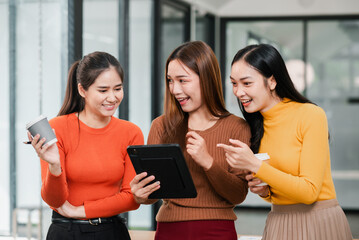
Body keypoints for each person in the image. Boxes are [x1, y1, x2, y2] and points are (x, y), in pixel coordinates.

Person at [217, 44, 353, 240]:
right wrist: (264, 191)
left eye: (246, 83)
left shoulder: (310, 115)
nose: (238, 92)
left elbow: (309, 192)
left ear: (272, 81)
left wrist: (255, 164)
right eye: (234, 83)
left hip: (318, 222)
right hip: (278, 221)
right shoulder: (256, 125)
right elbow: (278, 188)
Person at [130, 41, 251, 240]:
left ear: (206, 79)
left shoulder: (237, 127)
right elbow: (152, 195)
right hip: (170, 230)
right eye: (170, 80)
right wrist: (140, 195)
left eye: (182, 80)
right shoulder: (161, 126)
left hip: (218, 232)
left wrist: (208, 162)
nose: (175, 90)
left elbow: (238, 194)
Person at [27, 51, 143, 240]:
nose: (112, 97)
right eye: (103, 90)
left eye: (118, 88)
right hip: (65, 233)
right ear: (82, 90)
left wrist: (78, 211)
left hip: (111, 232)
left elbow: (132, 197)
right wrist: (54, 166)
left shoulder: (131, 132)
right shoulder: (58, 128)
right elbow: (54, 201)